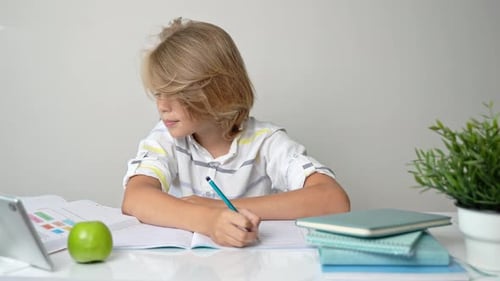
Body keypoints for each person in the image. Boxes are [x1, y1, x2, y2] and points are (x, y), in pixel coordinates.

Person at [121, 17, 350, 247]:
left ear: (218, 90)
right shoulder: (166, 138)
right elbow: (135, 198)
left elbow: (333, 200)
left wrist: (220, 206)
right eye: (159, 93)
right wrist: (209, 221)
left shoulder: (265, 142)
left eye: (176, 92)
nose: (162, 106)